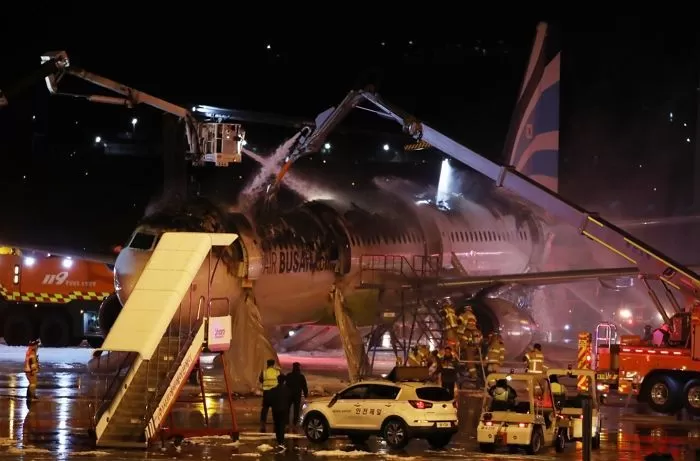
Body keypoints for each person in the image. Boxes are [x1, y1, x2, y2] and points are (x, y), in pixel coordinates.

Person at [258, 359, 281, 432]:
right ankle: (276, 421)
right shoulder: (277, 372)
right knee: (275, 409)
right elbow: (281, 380)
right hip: (275, 393)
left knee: (265, 408)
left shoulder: (264, 372)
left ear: (267, 364)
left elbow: (261, 380)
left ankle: (263, 422)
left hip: (267, 392)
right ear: (273, 364)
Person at [268, 375, 291, 446]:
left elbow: (270, 400)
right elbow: (289, 400)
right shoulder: (287, 390)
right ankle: (281, 440)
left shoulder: (273, 390)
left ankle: (279, 439)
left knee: (277, 424)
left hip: (276, 410)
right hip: (284, 410)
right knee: (282, 425)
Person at [284, 362, 308, 427]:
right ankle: (295, 422)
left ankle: (286, 422)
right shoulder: (301, 376)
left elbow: (285, 385)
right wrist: (306, 395)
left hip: (289, 394)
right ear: (299, 368)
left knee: (287, 408)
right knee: (296, 409)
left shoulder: (288, 375)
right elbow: (304, 386)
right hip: (297, 395)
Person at [24, 340, 39, 405]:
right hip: (30, 371)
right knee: (33, 384)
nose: (38, 347)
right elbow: (32, 363)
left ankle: (30, 396)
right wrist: (34, 370)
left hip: (28, 370)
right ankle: (32, 397)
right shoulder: (32, 353)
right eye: (37, 345)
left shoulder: (29, 352)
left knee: (31, 383)